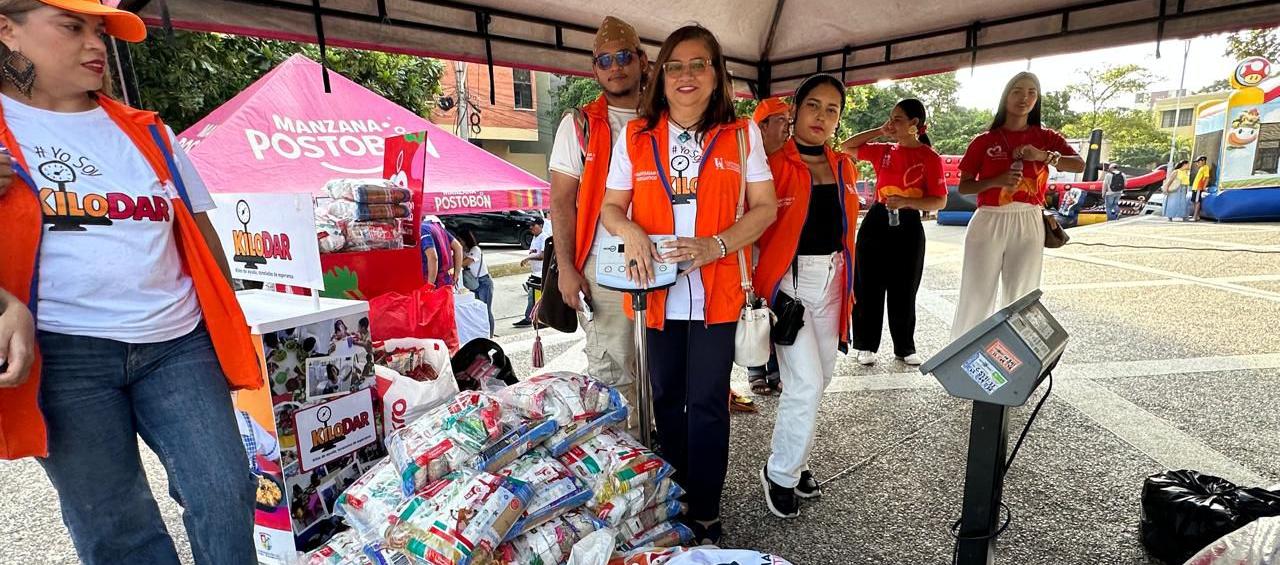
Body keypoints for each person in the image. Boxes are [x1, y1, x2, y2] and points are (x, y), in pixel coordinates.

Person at [0, 1, 262, 563]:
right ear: (8, 31)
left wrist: (230, 318)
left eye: (99, 32)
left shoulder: (148, 132)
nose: (96, 45)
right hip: (63, 354)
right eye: (73, 28)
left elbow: (199, 231)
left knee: (225, 491)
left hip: (178, 344)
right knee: (115, 524)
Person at [601, 24, 778, 544]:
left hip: (719, 291)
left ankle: (704, 509)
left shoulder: (742, 134)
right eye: (675, 65)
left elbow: (765, 208)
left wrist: (717, 245)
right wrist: (630, 228)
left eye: (698, 64)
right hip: (656, 291)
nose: (685, 75)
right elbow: (613, 208)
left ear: (716, 75)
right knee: (665, 397)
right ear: (660, 76)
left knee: (705, 402)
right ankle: (670, 496)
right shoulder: (636, 135)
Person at [753, 74, 859, 519]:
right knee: (806, 383)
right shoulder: (772, 163)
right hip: (789, 288)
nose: (822, 116)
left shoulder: (844, 167)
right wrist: (762, 292)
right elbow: (754, 232)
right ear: (795, 111)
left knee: (821, 379)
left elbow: (847, 232)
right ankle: (780, 473)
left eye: (832, 109)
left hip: (834, 282)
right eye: (813, 105)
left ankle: (796, 462)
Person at [950, 72, 1086, 339]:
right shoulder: (984, 140)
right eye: (1017, 91)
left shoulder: (1046, 137)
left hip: (1029, 219)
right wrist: (995, 181)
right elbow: (964, 186)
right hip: (989, 218)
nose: (1024, 98)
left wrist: (1044, 156)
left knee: (1022, 295)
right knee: (976, 293)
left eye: (1031, 92)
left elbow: (1079, 164)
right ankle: (962, 358)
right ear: (1005, 96)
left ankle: (1016, 358)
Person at [841, 98, 947, 367]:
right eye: (891, 118)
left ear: (915, 124)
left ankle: (904, 346)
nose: (892, 123)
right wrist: (879, 130)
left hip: (909, 223)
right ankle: (865, 345)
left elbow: (939, 201)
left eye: (898, 119)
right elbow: (847, 146)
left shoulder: (929, 158)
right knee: (868, 285)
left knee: (905, 286)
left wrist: (907, 202)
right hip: (877, 220)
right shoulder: (884, 150)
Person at [746, 97, 791, 397]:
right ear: (761, 126)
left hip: (782, 250)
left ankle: (776, 369)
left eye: (789, 121)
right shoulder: (747, 155)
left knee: (777, 308)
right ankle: (755, 369)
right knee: (753, 309)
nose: (788, 128)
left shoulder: (793, 159)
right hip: (751, 248)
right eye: (781, 121)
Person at [459, 228, 494, 335]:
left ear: (465, 239)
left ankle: (490, 334)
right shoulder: (464, 251)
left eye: (460, 240)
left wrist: (458, 251)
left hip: (484, 282)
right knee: (478, 310)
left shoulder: (475, 250)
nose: (459, 242)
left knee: (486, 309)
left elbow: (464, 263)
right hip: (473, 283)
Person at [514, 217, 548, 327]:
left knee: (533, 296)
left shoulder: (544, 238)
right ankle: (534, 317)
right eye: (530, 225)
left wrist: (528, 258)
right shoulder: (534, 238)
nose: (531, 228)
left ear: (541, 226)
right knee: (534, 296)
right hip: (535, 272)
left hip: (541, 273)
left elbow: (543, 255)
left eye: (534, 225)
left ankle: (530, 318)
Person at [420, 215, 465, 287]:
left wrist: (429, 285)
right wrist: (456, 275)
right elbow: (458, 247)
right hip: (447, 282)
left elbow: (433, 257)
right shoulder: (438, 227)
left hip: (435, 284)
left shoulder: (422, 230)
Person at [1190, 155, 1209, 221]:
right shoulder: (1201, 168)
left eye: (1198, 162)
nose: (1197, 163)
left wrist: (1204, 187)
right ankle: (1197, 216)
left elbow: (1207, 177)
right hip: (1195, 187)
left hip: (1198, 187)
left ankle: (1195, 217)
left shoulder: (1205, 167)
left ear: (1203, 161)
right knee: (1194, 201)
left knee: (1197, 202)